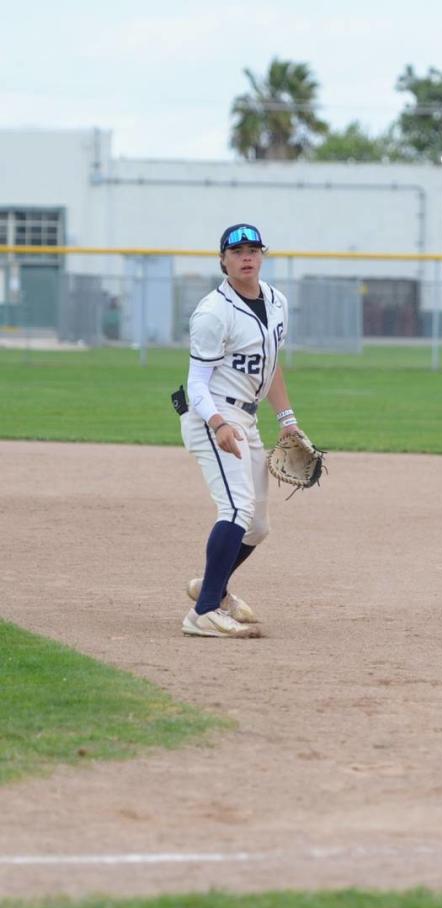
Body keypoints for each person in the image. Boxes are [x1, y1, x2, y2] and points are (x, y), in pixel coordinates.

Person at [175, 223, 304, 638]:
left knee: (257, 526)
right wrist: (217, 424)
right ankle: (204, 612)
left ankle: (211, 587)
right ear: (224, 260)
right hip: (211, 416)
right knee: (235, 508)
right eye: (237, 251)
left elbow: (270, 368)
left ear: (262, 256)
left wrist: (288, 421)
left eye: (253, 249)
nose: (246, 256)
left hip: (245, 419)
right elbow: (197, 382)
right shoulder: (213, 312)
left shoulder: (277, 301)